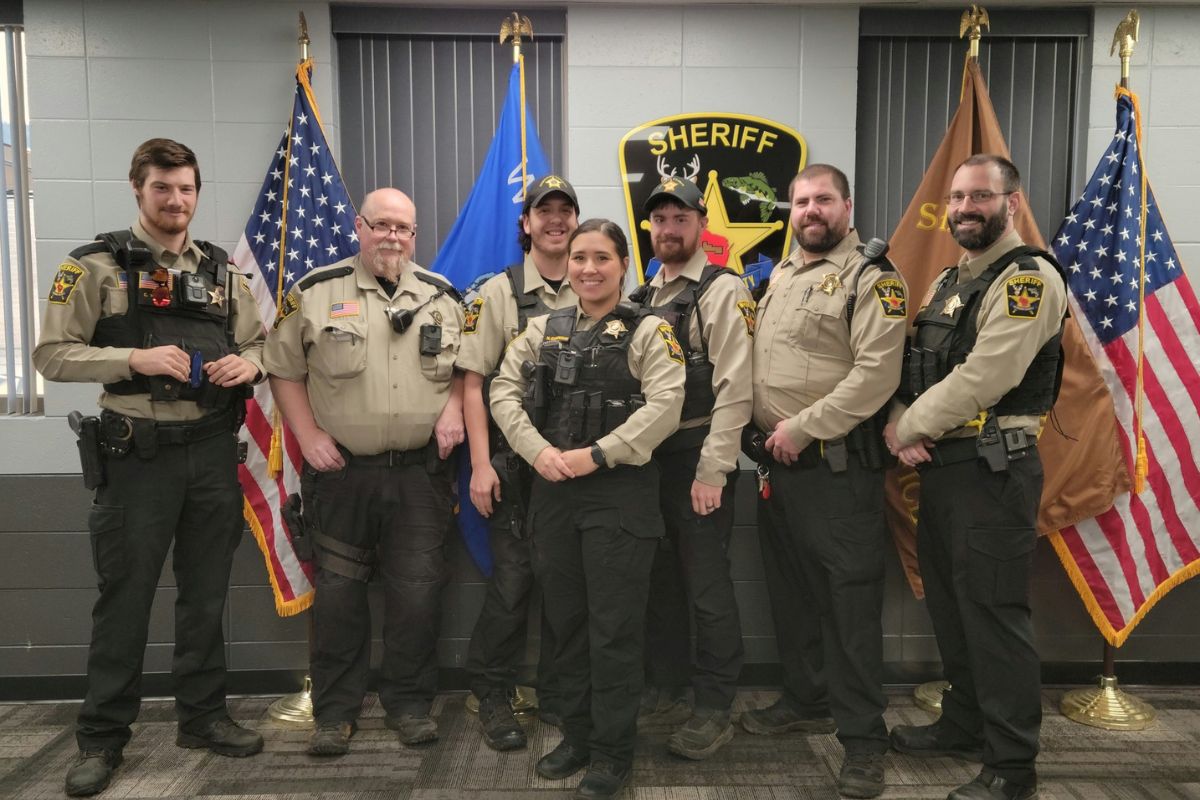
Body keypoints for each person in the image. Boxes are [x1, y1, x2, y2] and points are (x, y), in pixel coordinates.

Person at [33, 138, 267, 797]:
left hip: (214, 454)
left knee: (205, 597)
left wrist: (249, 364)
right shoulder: (93, 267)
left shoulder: (223, 273)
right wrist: (131, 361)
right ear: (138, 188)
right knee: (125, 601)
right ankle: (102, 740)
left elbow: (261, 340)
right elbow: (50, 355)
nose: (176, 200)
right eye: (162, 187)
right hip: (135, 458)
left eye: (186, 188)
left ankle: (203, 718)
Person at [884, 154, 1065, 800]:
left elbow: (987, 376)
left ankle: (1014, 765)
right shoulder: (949, 283)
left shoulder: (1028, 281)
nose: (964, 207)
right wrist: (904, 420)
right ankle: (963, 724)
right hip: (944, 471)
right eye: (958, 197)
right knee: (956, 609)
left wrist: (904, 430)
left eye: (979, 197)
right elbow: (917, 369)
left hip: (996, 469)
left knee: (994, 613)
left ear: (1011, 204)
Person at [264, 188, 466, 756]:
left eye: (404, 227)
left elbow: (467, 372)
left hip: (420, 476)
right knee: (339, 599)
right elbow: (282, 369)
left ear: (415, 234)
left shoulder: (443, 297)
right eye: (382, 225)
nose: (393, 237)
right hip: (341, 473)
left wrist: (452, 411)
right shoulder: (312, 293)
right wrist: (306, 436)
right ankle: (334, 713)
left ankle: (408, 705)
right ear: (360, 227)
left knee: (418, 596)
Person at [489, 219, 684, 800]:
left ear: (625, 265)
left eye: (602, 257)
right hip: (553, 493)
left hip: (618, 496)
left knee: (614, 629)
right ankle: (574, 734)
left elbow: (668, 403)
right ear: (566, 264)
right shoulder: (542, 330)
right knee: (566, 624)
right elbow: (502, 388)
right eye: (579, 257)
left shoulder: (652, 330)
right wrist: (539, 451)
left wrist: (598, 455)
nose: (589, 268)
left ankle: (611, 752)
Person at [746, 163, 908, 799]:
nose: (810, 210)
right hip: (777, 468)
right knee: (792, 597)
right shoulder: (783, 273)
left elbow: (876, 375)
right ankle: (805, 699)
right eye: (801, 201)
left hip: (836, 469)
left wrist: (802, 428)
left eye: (822, 200)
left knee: (850, 608)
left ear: (846, 205)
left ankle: (864, 740)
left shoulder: (873, 278)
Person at [460, 174, 580, 750]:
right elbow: (472, 383)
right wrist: (480, 465)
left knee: (565, 585)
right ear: (526, 223)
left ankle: (557, 695)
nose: (555, 220)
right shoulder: (498, 293)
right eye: (544, 211)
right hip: (513, 467)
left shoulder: (594, 284)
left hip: (575, 468)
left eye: (565, 210)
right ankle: (491, 694)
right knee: (512, 585)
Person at [631, 177, 751, 760]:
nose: (668, 229)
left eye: (680, 218)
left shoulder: (720, 290)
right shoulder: (640, 297)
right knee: (660, 586)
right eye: (659, 220)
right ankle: (667, 688)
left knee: (706, 588)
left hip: (697, 460)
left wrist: (714, 471)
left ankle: (714, 706)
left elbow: (734, 388)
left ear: (700, 224)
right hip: (648, 466)